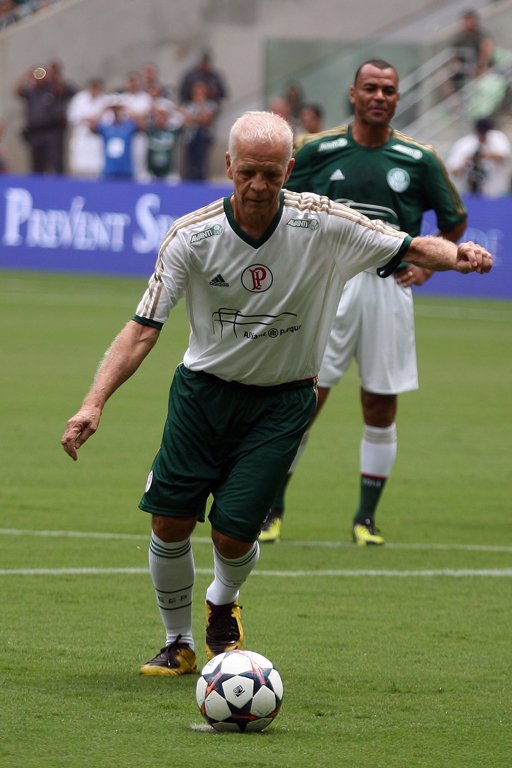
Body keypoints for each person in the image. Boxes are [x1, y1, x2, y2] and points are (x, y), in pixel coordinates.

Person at [60, 111, 491, 677]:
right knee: (168, 522)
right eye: (248, 173)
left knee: (233, 534)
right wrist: (94, 402)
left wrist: (458, 257)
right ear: (228, 166)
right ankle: (178, 642)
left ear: (290, 169)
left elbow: (409, 245)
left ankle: (221, 602)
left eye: (271, 173)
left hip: (282, 402)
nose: (259, 186)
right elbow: (143, 329)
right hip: (202, 396)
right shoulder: (193, 235)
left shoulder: (325, 224)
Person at [259, 59, 468, 546]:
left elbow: (454, 222)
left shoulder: (419, 159)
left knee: (379, 404)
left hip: (388, 290)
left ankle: (366, 519)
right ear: (353, 94)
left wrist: (426, 265)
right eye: (370, 88)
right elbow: (278, 204)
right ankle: (272, 510)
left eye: (389, 90)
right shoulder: (316, 150)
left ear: (397, 99)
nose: (379, 96)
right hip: (328, 288)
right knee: (303, 400)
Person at [14, 61, 76, 174]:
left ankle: (59, 186)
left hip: (52, 131)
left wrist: (53, 76)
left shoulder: (52, 89)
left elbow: (64, 90)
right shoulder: (31, 90)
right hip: (35, 132)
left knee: (56, 162)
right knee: (37, 164)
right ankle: (37, 187)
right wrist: (26, 75)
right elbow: (17, 91)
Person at [446, 117, 511, 198]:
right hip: (468, 194)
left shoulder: (498, 138)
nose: (483, 136)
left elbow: (503, 156)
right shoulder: (464, 144)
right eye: (481, 133)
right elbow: (453, 171)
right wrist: (466, 161)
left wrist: (482, 155)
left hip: (494, 194)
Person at [442, 10, 494, 99]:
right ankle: (454, 102)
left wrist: (481, 67)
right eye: (466, 20)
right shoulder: (460, 37)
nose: (469, 23)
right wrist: (456, 64)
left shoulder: (481, 35)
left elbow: (486, 51)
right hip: (465, 68)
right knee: (443, 76)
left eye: (471, 20)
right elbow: (453, 54)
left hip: (480, 67)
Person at [67, 77, 109, 178]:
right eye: (92, 87)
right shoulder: (79, 99)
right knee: (79, 169)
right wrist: (87, 119)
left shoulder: (105, 100)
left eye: (97, 88)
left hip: (97, 139)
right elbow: (71, 116)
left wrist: (96, 120)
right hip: (82, 138)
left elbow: (108, 120)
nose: (94, 90)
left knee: (97, 170)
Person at [180, 80, 218, 180]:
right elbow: (185, 121)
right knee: (189, 162)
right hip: (190, 137)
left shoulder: (210, 105)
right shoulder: (188, 105)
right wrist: (197, 118)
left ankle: (201, 180)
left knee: (201, 161)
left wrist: (194, 116)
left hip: (203, 136)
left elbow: (206, 119)